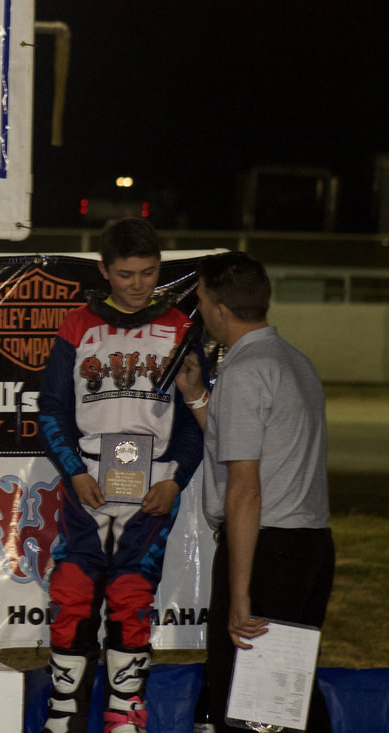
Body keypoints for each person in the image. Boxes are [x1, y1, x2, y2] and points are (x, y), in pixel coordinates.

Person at [36, 217, 204, 733]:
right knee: (71, 595)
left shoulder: (182, 327)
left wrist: (175, 479)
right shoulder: (76, 326)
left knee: (132, 599)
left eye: (149, 273)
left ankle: (125, 715)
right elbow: (51, 409)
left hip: (153, 488)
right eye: (127, 274)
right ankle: (63, 714)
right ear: (105, 270)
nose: (138, 285)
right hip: (86, 486)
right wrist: (71, 473)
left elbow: (198, 417)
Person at [174, 252, 334, 732]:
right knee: (289, 696)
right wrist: (197, 397)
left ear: (220, 310)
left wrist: (239, 595)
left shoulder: (246, 371)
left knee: (247, 701)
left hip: (268, 551)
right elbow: (243, 445)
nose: (198, 310)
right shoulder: (291, 360)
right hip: (308, 547)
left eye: (200, 300)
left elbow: (245, 491)